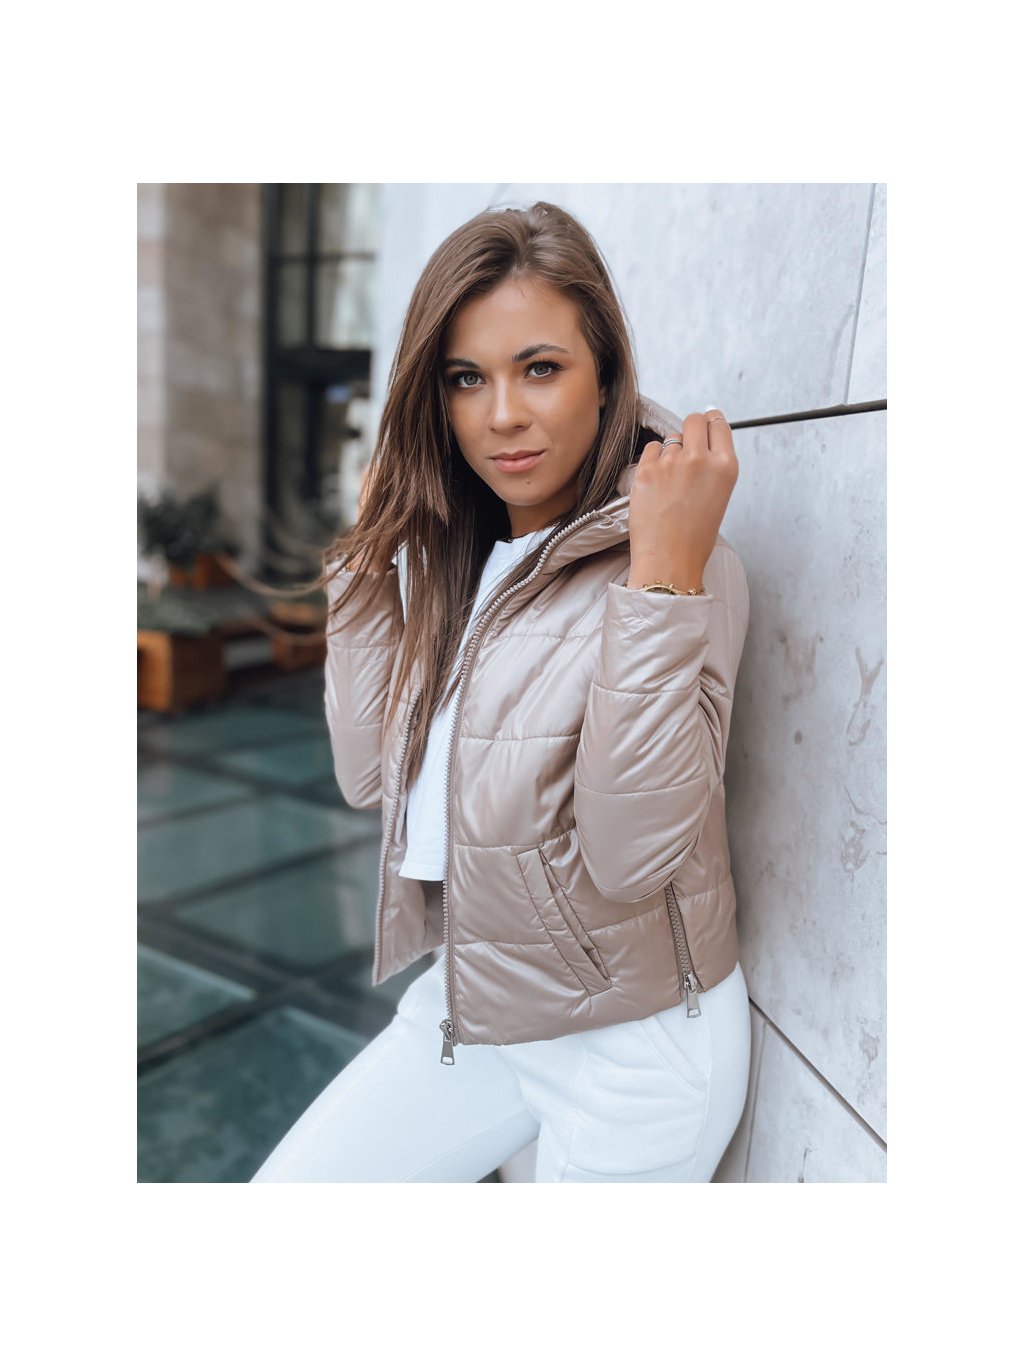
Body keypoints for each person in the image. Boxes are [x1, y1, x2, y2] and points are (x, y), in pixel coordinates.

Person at [250, 200, 750, 1183]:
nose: (502, 414)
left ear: (605, 375)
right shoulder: (469, 561)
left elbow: (631, 855)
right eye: (466, 378)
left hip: (633, 1048)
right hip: (477, 1001)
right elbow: (367, 777)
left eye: (541, 368)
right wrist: (368, 564)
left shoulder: (678, 565)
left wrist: (661, 583)